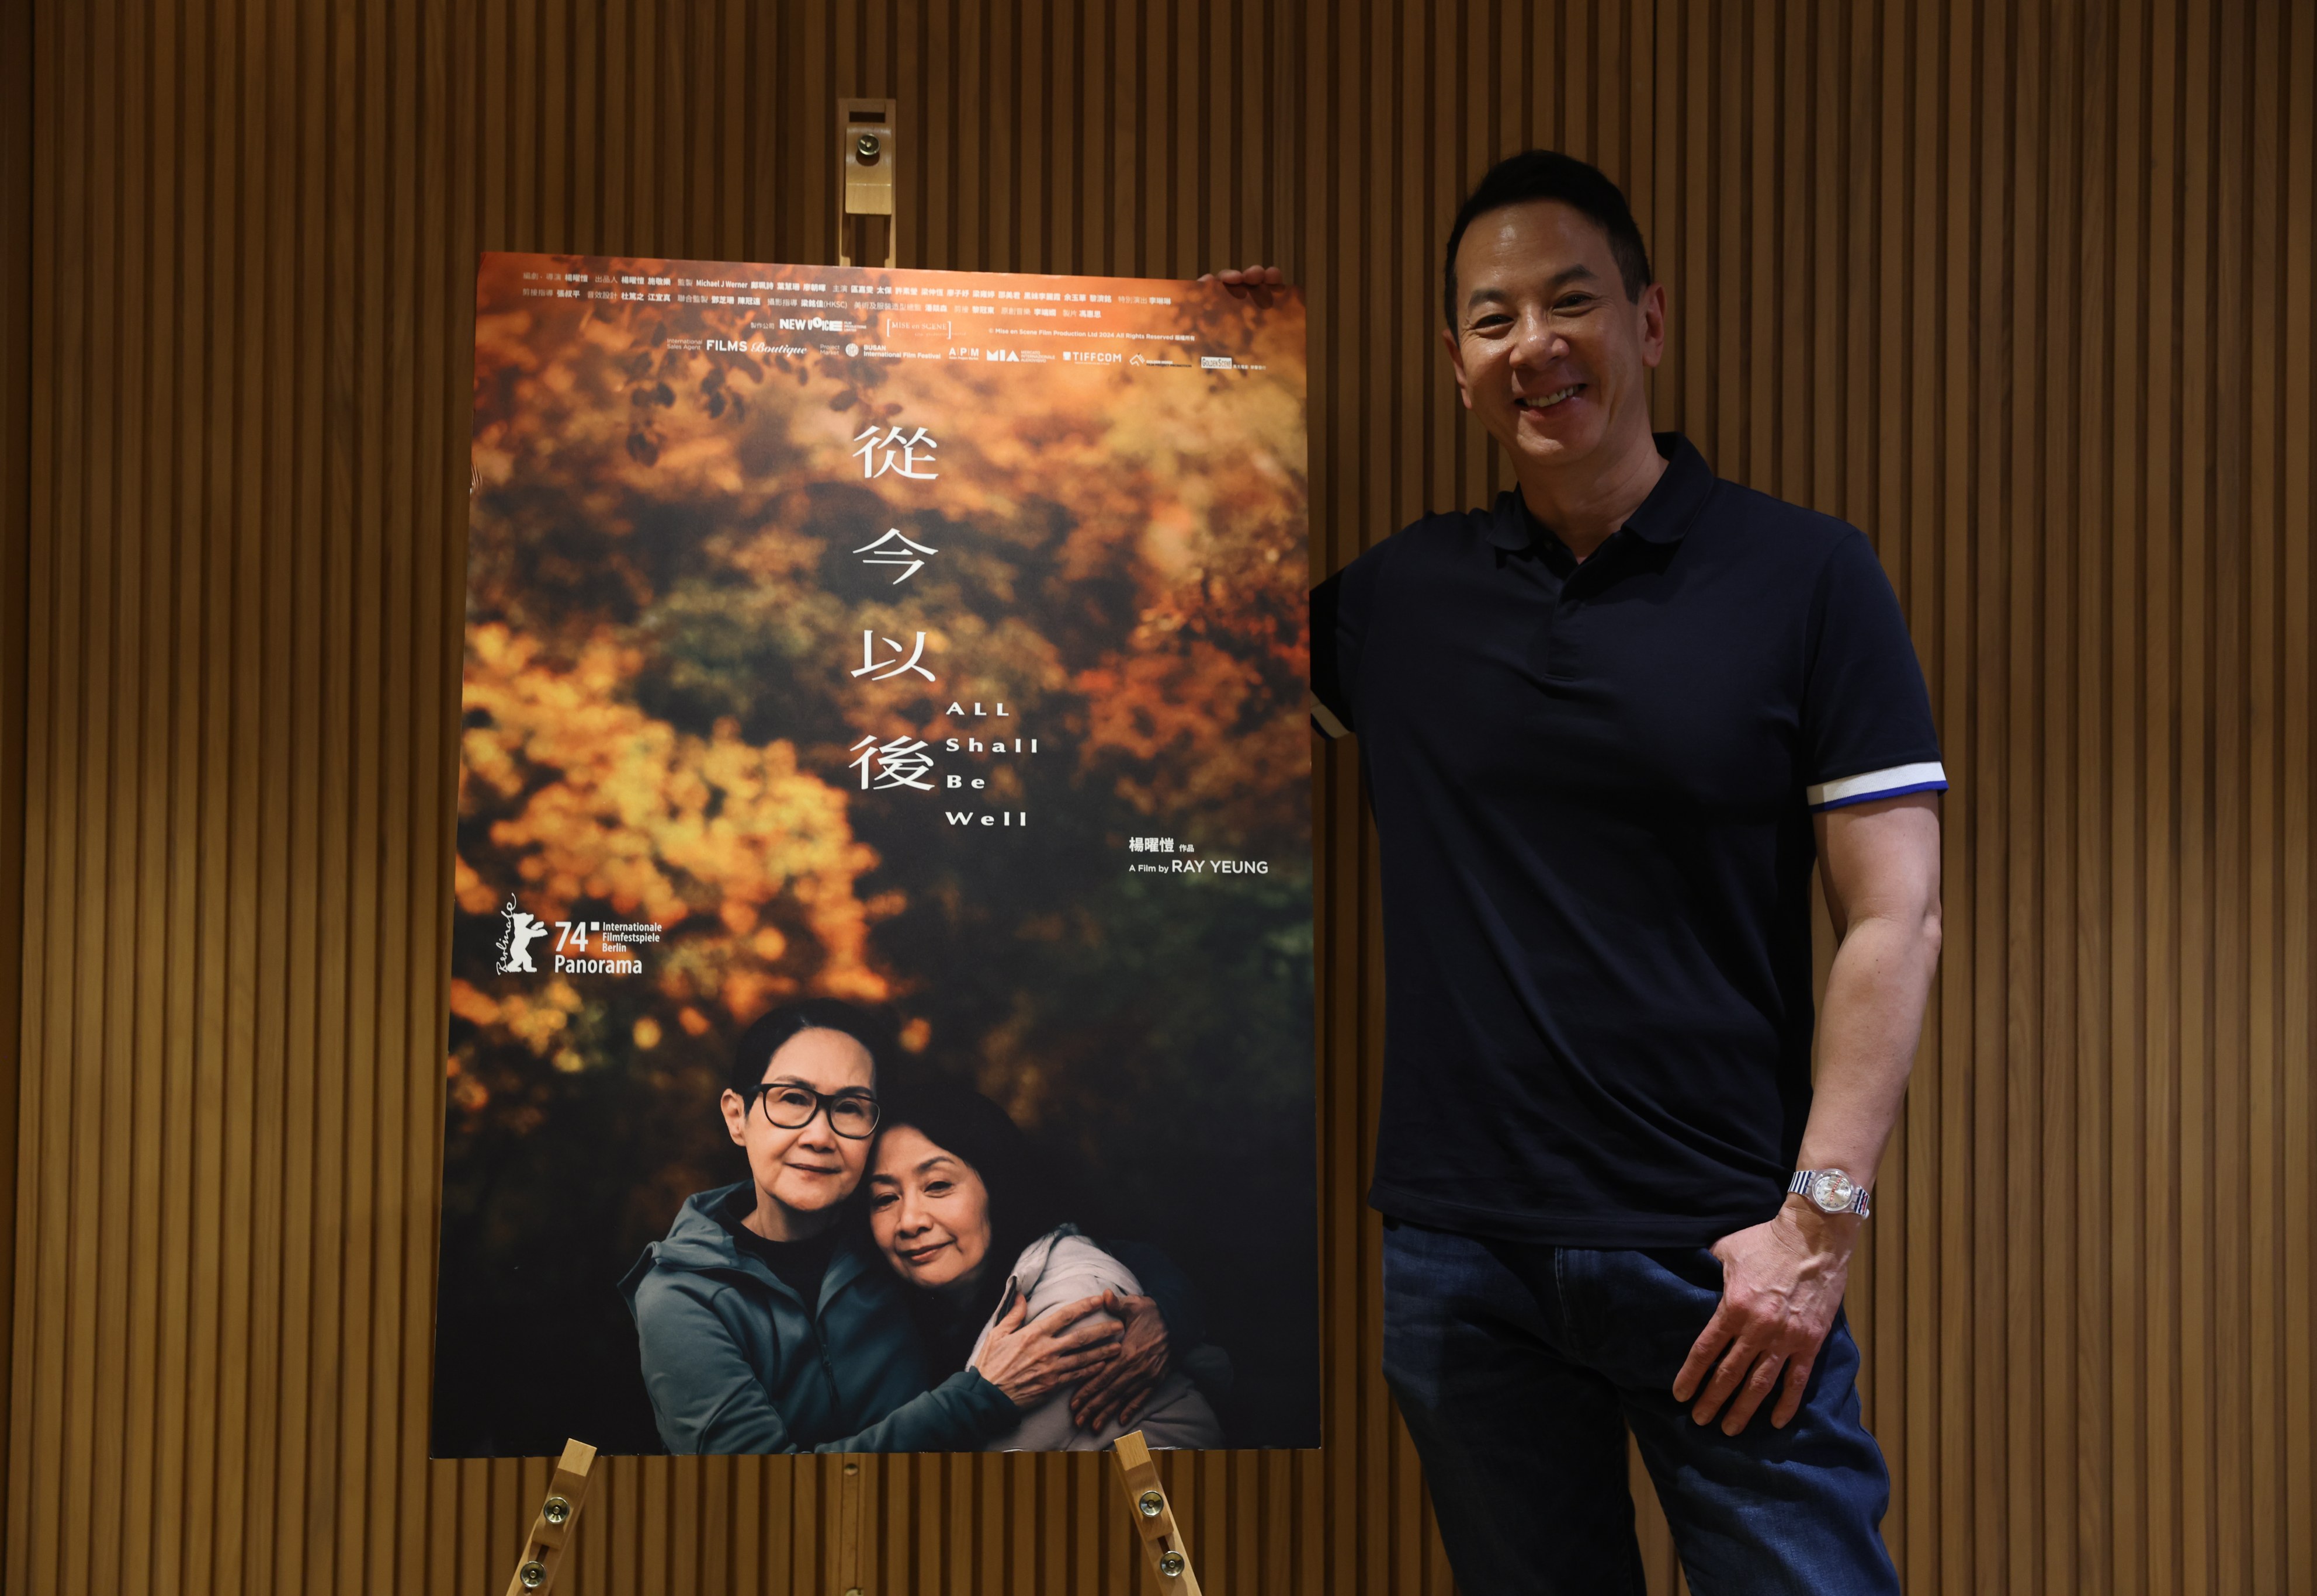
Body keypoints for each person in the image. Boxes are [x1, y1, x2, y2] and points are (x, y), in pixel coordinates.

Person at [1209, 149, 1944, 1592]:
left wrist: (1817, 1225)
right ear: (1455, 363)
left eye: (1571, 302)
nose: (1535, 346)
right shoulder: (1398, 602)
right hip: (1460, 1266)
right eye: (1494, 319)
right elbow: (1160, 653)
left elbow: (1895, 913)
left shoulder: (1806, 576)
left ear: (1648, 321)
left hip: (1724, 1256)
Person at [620, 1000, 1177, 1453]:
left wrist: (1163, 1313)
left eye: (850, 1107)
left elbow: (1053, 1251)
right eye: (792, 1099)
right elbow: (760, 1500)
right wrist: (979, 1398)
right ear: (737, 1116)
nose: (819, 1135)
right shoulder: (680, 1295)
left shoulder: (885, 1233)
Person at [865, 1074, 1226, 1451]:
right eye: (884, 1198)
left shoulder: (1074, 1312)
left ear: (997, 1188)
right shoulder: (911, 1310)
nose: (909, 1221)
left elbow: (970, 1487)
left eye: (938, 1186)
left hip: (1154, 1505)